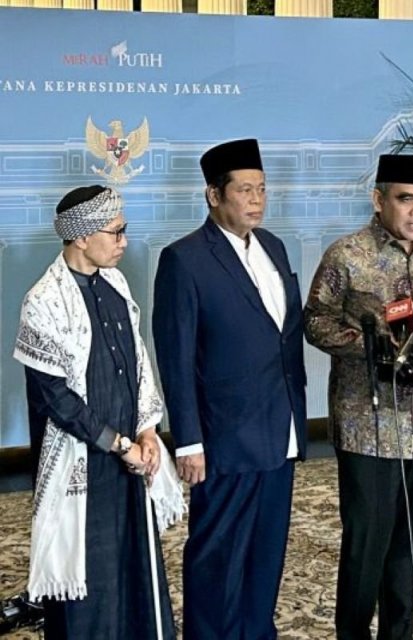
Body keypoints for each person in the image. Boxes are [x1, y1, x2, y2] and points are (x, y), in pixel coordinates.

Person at [153, 139, 307, 640]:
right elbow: (176, 356)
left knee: (266, 551)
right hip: (224, 435)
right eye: (244, 190)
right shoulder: (184, 259)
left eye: (262, 189)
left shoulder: (274, 247)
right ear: (214, 195)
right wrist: (188, 440)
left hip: (279, 427)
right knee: (217, 553)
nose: (257, 200)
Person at [13, 185, 184, 639]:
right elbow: (57, 400)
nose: (124, 241)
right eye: (116, 231)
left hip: (131, 458)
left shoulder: (116, 284)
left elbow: (138, 362)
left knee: (135, 568)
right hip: (83, 463)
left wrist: (147, 431)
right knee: (87, 579)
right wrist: (120, 445)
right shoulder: (42, 302)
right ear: (82, 236)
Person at [304, 154, 413, 640]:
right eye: (406, 199)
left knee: (409, 547)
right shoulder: (347, 254)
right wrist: (371, 347)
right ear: (379, 200)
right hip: (367, 423)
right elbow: (315, 321)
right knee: (366, 545)